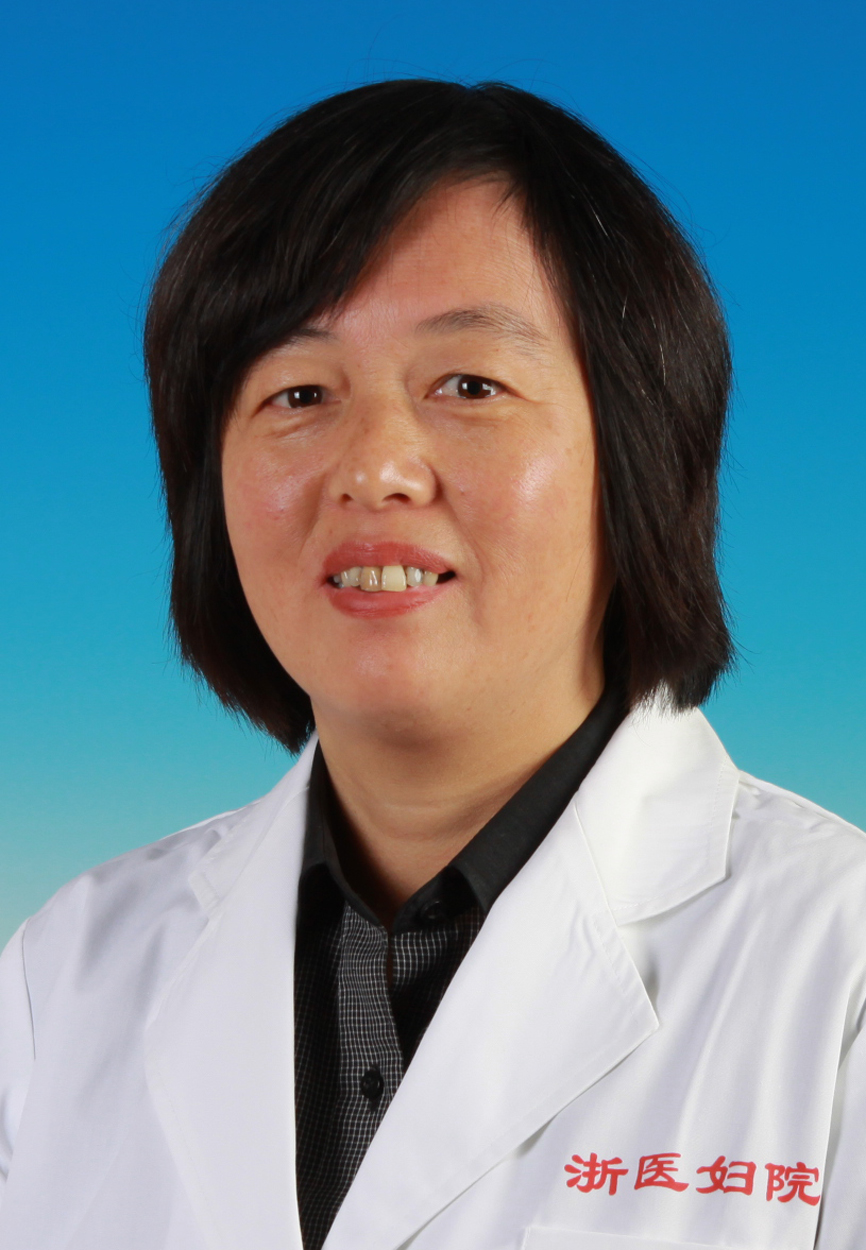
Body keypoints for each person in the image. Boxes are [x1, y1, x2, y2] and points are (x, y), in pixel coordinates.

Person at [0, 79, 862, 1250]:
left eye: (468, 385)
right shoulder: (65, 976)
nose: (375, 467)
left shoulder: (837, 968)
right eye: (298, 392)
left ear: (640, 453)